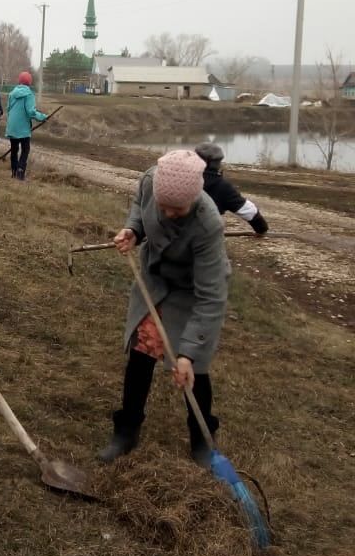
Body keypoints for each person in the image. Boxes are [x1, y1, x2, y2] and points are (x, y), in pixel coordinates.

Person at [98, 148, 230, 467]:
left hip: (191, 290)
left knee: (192, 367)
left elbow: (211, 297)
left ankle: (202, 439)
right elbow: (138, 209)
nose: (169, 214)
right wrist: (133, 230)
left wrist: (186, 353)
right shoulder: (149, 181)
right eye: (164, 207)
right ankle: (126, 431)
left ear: (194, 198)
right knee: (142, 352)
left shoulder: (207, 223)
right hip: (155, 280)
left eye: (178, 209)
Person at [194, 143, 269, 233]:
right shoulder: (221, 186)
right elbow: (247, 209)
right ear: (217, 163)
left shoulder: (181, 178)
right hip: (206, 233)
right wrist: (261, 228)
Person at [5, 71, 47, 180]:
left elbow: (8, 109)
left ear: (19, 81)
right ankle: (20, 172)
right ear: (29, 82)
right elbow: (31, 112)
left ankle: (14, 172)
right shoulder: (29, 94)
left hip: (12, 126)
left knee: (14, 150)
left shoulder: (11, 93)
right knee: (25, 149)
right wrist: (42, 117)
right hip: (23, 128)